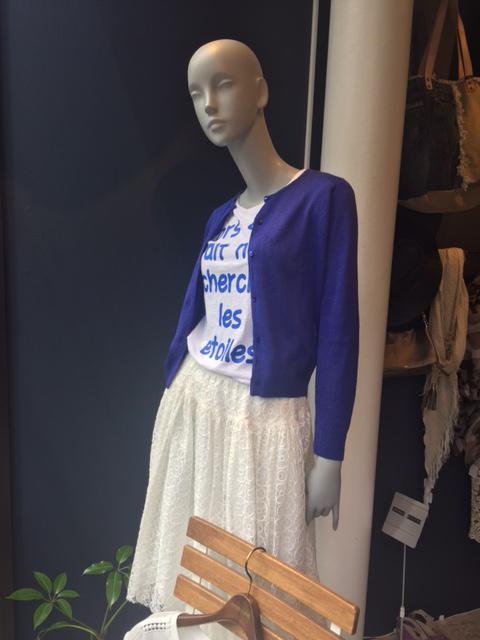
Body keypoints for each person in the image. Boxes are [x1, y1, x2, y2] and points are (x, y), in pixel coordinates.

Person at [126, 39, 359, 638]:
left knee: (263, 597)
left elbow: (339, 331)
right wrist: (173, 385)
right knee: (196, 582)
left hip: (266, 420)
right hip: (196, 402)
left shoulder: (324, 199)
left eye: (223, 83)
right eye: (196, 93)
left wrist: (330, 451)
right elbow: (199, 313)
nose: (209, 103)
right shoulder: (221, 217)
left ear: (261, 91)